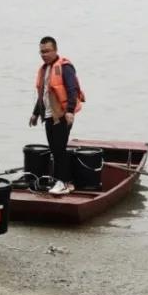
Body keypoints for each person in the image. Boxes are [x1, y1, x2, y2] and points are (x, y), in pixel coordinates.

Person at [29, 36, 85, 196]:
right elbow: (43, 94)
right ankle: (63, 181)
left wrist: (69, 111)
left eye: (47, 51)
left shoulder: (65, 67)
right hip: (48, 115)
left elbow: (72, 89)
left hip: (62, 114)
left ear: (55, 50)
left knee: (59, 149)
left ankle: (63, 182)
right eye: (41, 51)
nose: (44, 54)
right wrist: (34, 113)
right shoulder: (44, 69)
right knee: (54, 149)